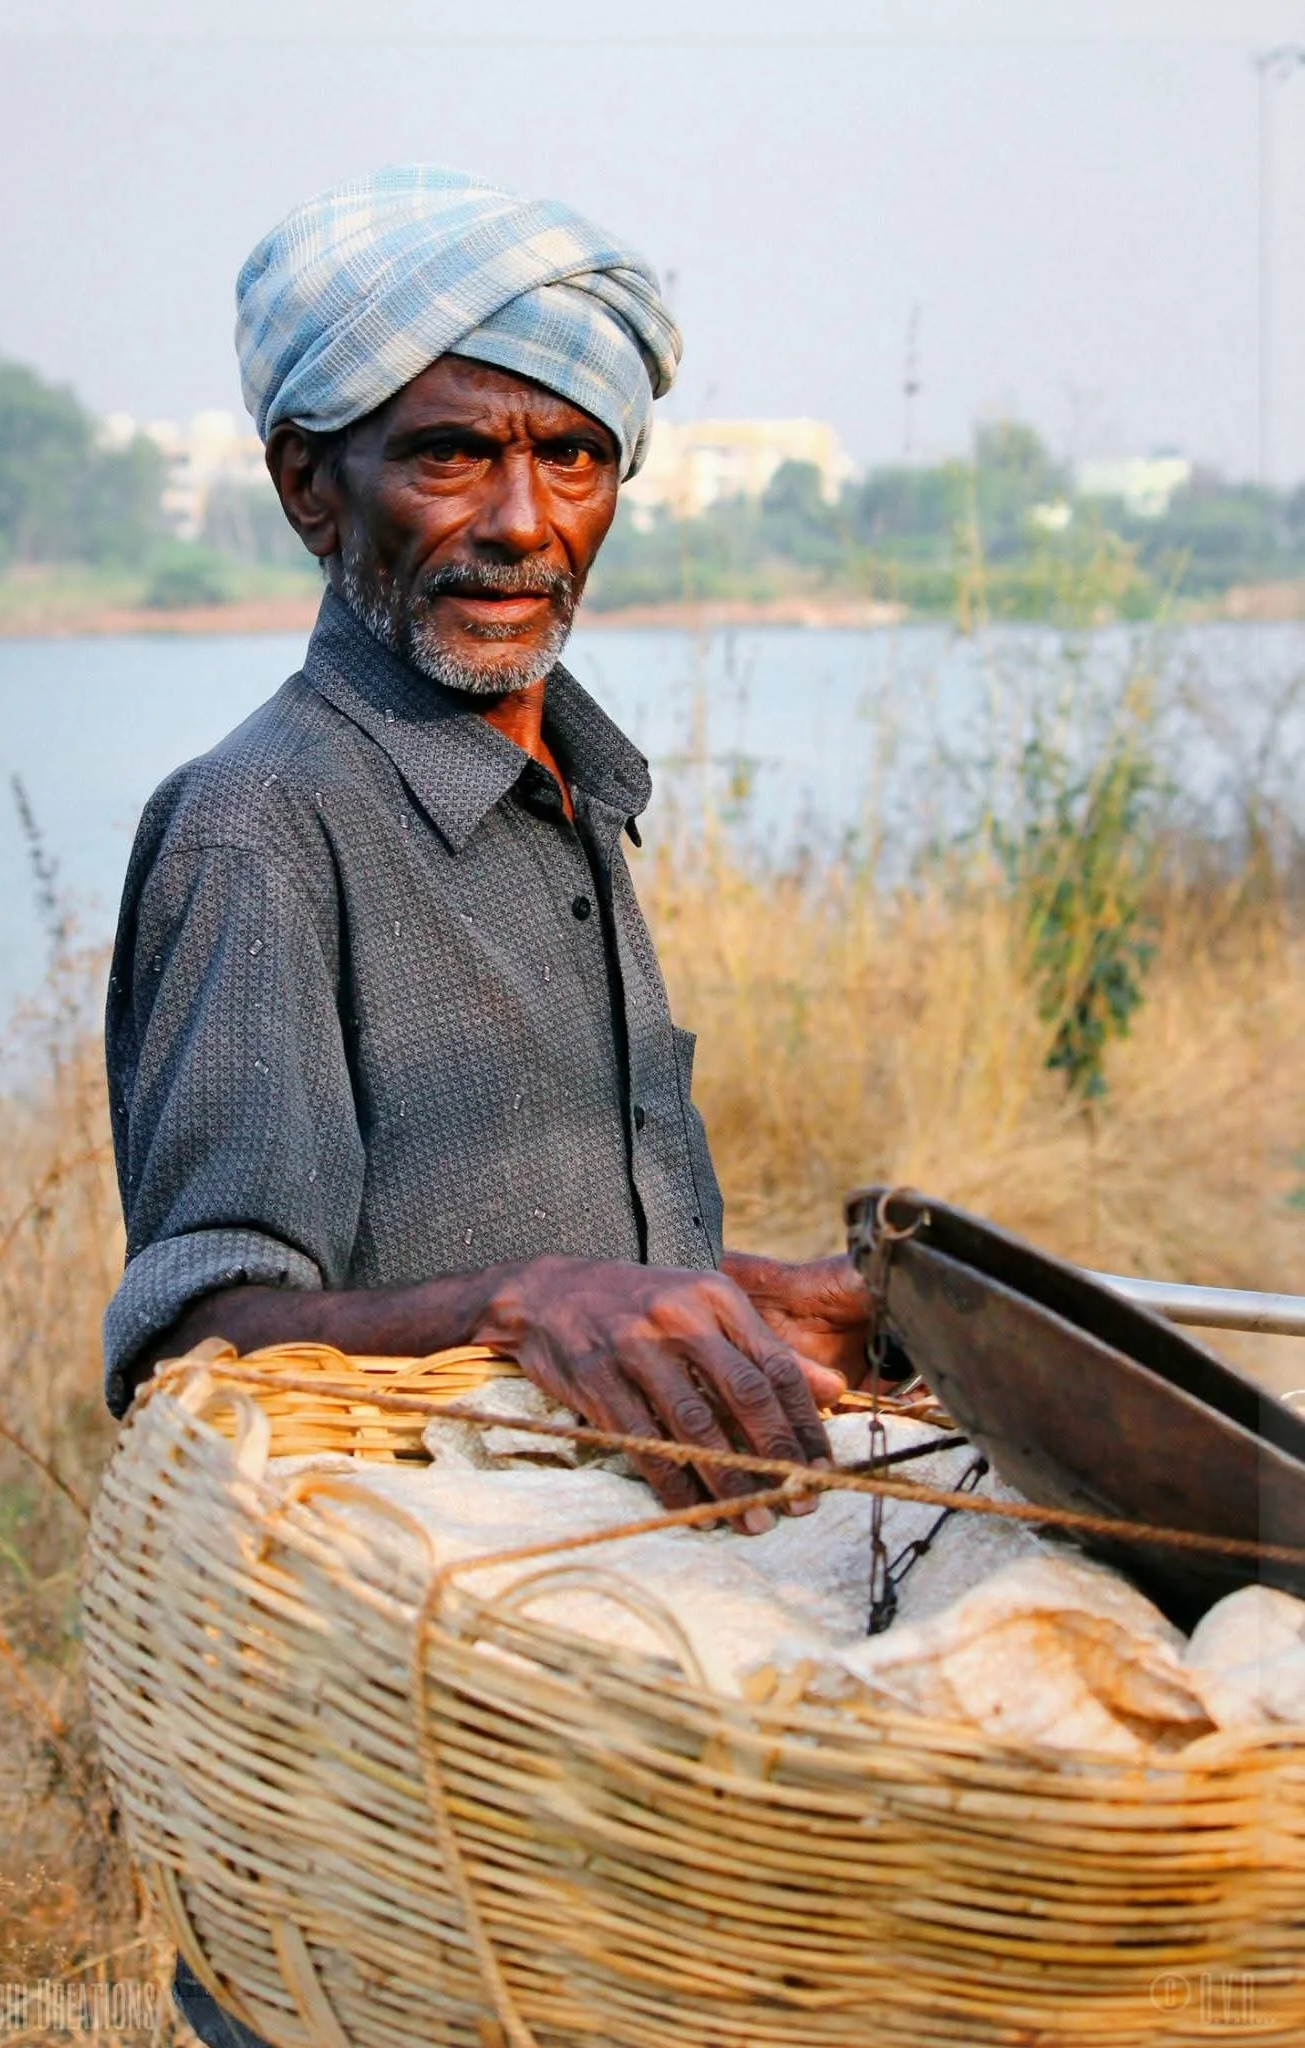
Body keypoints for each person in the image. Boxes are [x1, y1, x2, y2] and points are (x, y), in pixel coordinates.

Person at [103, 166, 872, 2048]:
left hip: (613, 1775)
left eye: (576, 460)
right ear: (311, 485)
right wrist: (529, 1299)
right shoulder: (261, 830)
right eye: (450, 458)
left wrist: (749, 1294)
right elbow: (200, 1344)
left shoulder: (574, 801)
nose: (525, 523)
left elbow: (570, 1259)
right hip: (398, 1816)